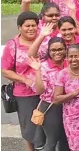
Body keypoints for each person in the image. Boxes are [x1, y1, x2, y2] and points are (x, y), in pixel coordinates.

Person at [1, 11, 46, 151]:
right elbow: (5, 70)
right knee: (30, 129)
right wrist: (24, 80)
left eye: (34, 25)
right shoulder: (12, 45)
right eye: (27, 26)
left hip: (46, 92)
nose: (31, 28)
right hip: (25, 94)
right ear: (20, 27)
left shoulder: (44, 40)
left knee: (47, 127)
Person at [28, 37, 70, 151]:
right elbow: (40, 90)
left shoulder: (69, 63)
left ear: (66, 50)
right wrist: (37, 71)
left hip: (68, 105)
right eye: (53, 50)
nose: (57, 52)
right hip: (50, 106)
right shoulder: (44, 67)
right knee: (52, 140)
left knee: (66, 139)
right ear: (49, 51)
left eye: (60, 49)